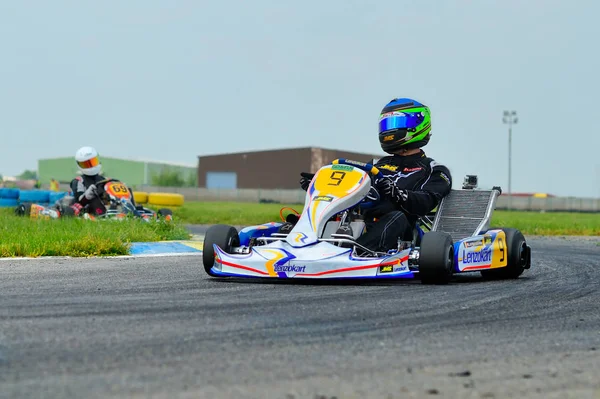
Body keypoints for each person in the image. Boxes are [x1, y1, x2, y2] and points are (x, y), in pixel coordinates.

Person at [295, 97, 453, 253]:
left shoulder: (434, 169)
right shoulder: (374, 165)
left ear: (417, 126)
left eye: (395, 124)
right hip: (359, 221)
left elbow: (425, 202)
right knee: (320, 214)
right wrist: (320, 185)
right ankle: (297, 244)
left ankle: (354, 252)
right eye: (386, 125)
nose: (389, 130)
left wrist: (398, 194)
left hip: (400, 231)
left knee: (397, 217)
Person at [67, 146, 108, 216]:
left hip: (104, 206)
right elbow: (78, 200)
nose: (91, 166)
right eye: (87, 164)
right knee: (94, 198)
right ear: (79, 165)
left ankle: (131, 212)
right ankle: (101, 215)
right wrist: (86, 195)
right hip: (87, 209)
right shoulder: (78, 181)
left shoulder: (103, 179)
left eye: (93, 162)